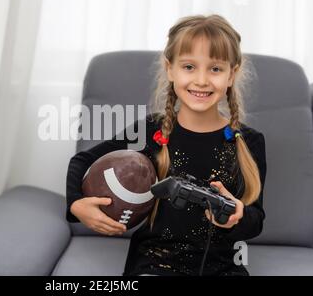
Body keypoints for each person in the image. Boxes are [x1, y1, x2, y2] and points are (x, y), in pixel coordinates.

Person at [65, 14, 267, 276]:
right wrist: (76, 205)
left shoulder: (249, 142)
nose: (202, 80)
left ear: (232, 74)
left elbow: (256, 221)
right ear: (170, 68)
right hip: (155, 264)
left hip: (223, 268)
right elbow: (81, 161)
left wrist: (237, 216)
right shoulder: (150, 131)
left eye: (215, 69)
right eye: (189, 67)